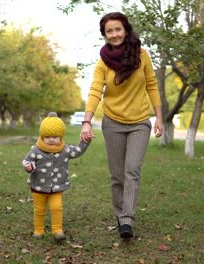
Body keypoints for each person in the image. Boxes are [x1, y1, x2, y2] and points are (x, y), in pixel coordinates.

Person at [79, 12, 163, 240]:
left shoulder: (142, 56)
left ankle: (127, 219)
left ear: (126, 30)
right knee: (117, 175)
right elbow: (95, 91)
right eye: (109, 31)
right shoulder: (102, 62)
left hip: (139, 123)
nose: (114, 34)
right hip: (113, 123)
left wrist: (159, 117)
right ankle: (120, 214)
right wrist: (86, 121)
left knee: (132, 170)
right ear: (104, 35)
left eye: (118, 29)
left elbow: (152, 86)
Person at [22, 112, 91, 241]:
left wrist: (85, 142)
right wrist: (28, 166)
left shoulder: (65, 150)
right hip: (38, 186)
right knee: (39, 209)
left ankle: (57, 230)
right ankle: (38, 230)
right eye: (47, 136)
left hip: (57, 186)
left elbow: (78, 151)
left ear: (61, 136)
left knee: (56, 207)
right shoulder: (36, 150)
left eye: (55, 136)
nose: (51, 139)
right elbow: (26, 161)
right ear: (42, 136)